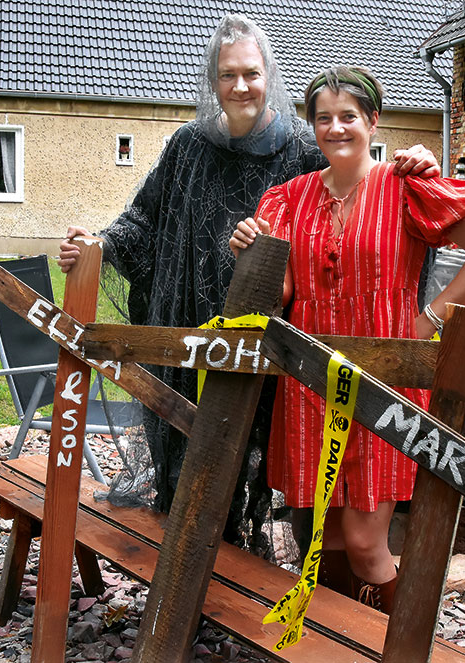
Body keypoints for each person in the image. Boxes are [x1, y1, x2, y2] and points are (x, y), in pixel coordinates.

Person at [57, 15, 440, 556]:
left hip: (276, 340)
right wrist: (96, 245)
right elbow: (141, 221)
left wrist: (417, 162)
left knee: (262, 460)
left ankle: (267, 575)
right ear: (212, 81)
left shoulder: (303, 152)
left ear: (269, 78)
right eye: (227, 74)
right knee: (189, 450)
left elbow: (362, 190)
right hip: (193, 333)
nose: (240, 86)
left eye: (252, 73)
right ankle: (192, 573)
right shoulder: (187, 148)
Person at [229, 66, 465, 611]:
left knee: (365, 543)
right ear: (311, 126)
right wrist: (250, 250)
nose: (336, 128)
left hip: (385, 381)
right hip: (310, 382)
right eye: (323, 118)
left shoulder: (405, 185)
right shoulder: (288, 198)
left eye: (348, 116)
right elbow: (283, 289)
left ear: (373, 121)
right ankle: (341, 642)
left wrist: (429, 318)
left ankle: (398, 643)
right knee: (323, 540)